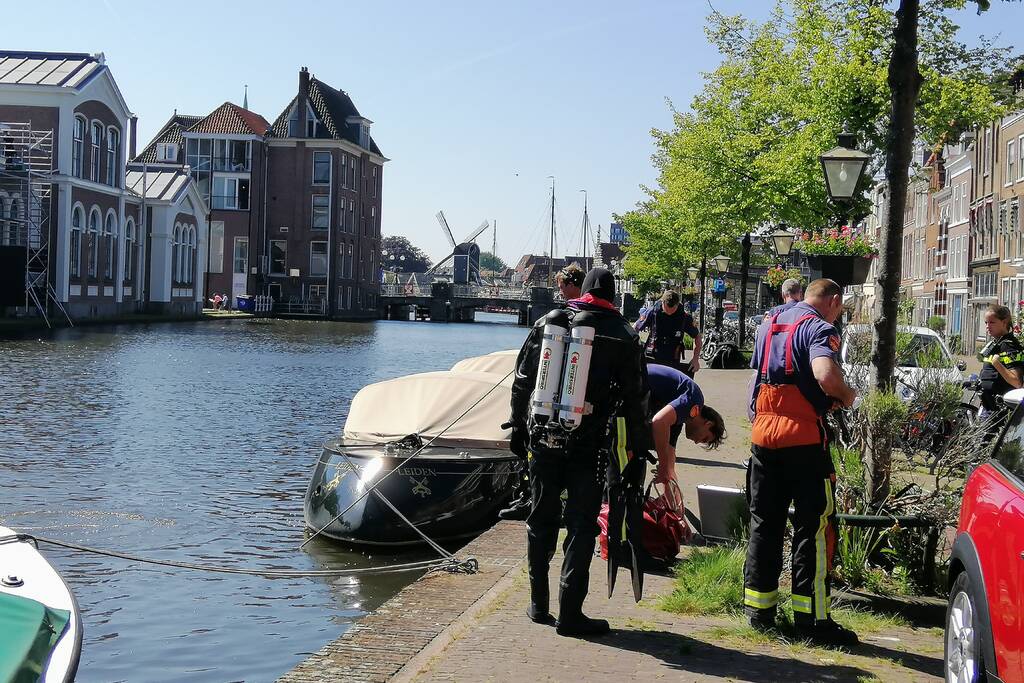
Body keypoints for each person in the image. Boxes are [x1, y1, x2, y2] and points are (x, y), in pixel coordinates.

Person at [509, 267, 650, 636]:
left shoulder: (548, 322)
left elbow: (523, 379)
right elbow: (637, 401)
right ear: (614, 294)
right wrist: (637, 450)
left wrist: (518, 428)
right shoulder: (624, 334)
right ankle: (571, 613)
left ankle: (538, 604)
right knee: (581, 525)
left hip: (543, 437)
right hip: (589, 444)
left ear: (582, 290)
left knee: (540, 519)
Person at [745, 278, 859, 646]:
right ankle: (812, 621)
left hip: (763, 436)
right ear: (834, 301)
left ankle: (759, 611)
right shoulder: (819, 327)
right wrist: (847, 394)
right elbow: (825, 374)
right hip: (804, 439)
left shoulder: (769, 323)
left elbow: (757, 377)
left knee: (765, 521)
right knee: (814, 527)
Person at [499, 263, 587, 522]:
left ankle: (530, 500)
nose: (559, 292)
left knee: (536, 455)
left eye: (561, 287)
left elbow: (524, 374)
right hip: (580, 406)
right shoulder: (598, 325)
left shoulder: (548, 323)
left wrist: (517, 419)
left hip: (546, 405)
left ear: (572, 284)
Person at [645, 363, 725, 490]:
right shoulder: (693, 401)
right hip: (625, 380)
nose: (697, 442)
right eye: (704, 438)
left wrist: (675, 505)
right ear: (708, 424)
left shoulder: (679, 417)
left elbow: (670, 466)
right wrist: (663, 466)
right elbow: (659, 421)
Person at [634, 290, 702, 376]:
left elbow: (698, 337)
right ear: (662, 303)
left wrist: (695, 359)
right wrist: (635, 350)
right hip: (652, 357)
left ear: (677, 304)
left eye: (672, 311)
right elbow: (635, 327)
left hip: (672, 359)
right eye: (667, 310)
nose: (669, 313)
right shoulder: (653, 312)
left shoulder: (684, 317)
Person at [978, 303, 1024, 422]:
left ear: (1004, 322)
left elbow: (1017, 382)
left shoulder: (1009, 346)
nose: (988, 326)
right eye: (986, 323)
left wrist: (997, 364)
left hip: (1002, 412)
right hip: (989, 407)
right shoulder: (996, 343)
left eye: (992, 322)